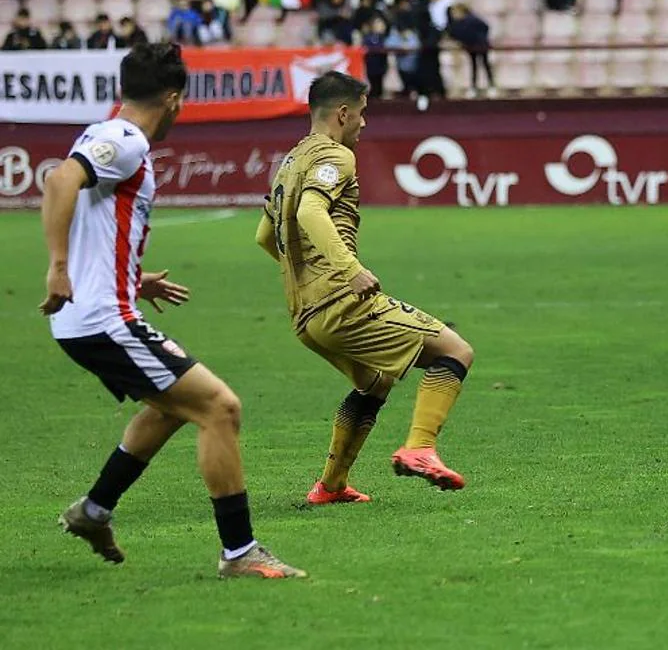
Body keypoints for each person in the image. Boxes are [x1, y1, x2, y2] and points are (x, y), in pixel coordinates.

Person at [39, 43, 305, 579]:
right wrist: (58, 266)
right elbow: (59, 180)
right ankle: (240, 553)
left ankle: (93, 511)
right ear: (174, 98)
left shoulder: (107, 134)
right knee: (219, 408)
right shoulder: (126, 138)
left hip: (95, 313)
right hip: (99, 320)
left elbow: (95, 220)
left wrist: (135, 280)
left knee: (170, 406)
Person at [255, 71, 474, 503]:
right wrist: (346, 268)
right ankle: (420, 448)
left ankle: (332, 486)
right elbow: (311, 212)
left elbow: (265, 235)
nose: (364, 123)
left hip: (304, 316)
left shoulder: (289, 163)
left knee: (374, 383)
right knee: (455, 351)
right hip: (341, 300)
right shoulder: (336, 156)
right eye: (362, 113)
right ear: (342, 113)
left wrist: (305, 275)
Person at [447, 3, 494, 94]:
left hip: (481, 45)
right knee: (474, 66)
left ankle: (491, 86)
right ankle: (473, 87)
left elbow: (485, 27)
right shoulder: (458, 23)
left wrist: (480, 39)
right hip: (471, 47)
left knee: (485, 64)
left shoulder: (472, 19)